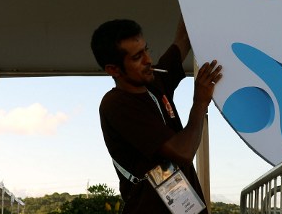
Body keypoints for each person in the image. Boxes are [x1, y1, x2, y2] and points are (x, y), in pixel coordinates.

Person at [91, 17, 222, 213]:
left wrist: (194, 3)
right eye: (137, 57)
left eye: (146, 50)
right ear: (113, 69)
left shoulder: (154, 82)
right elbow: (184, 152)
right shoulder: (117, 104)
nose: (148, 60)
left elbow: (183, 40)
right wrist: (200, 103)